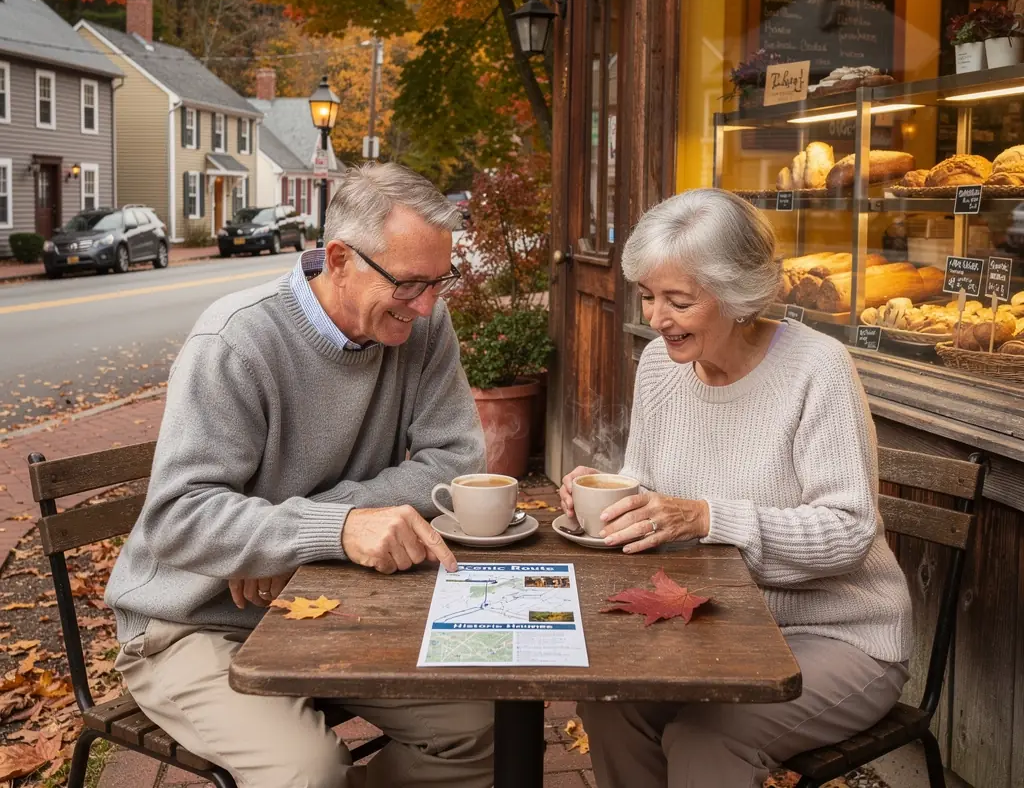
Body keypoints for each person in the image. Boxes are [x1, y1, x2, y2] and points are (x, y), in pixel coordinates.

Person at [105, 163, 494, 788]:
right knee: (307, 773)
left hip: (324, 600)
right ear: (339, 259)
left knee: (479, 727)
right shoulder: (237, 342)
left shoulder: (423, 326)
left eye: (440, 282)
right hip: (194, 622)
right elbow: (177, 519)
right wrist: (334, 530)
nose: (426, 307)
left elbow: (455, 463)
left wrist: (310, 537)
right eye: (410, 284)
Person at [558, 188, 912, 788]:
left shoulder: (816, 368)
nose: (656, 319)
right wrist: (607, 498)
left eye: (679, 301)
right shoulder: (659, 368)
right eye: (647, 297)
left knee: (706, 738)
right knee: (608, 702)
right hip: (715, 623)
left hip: (839, 633)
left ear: (739, 295)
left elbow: (850, 531)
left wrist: (706, 518)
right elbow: (651, 488)